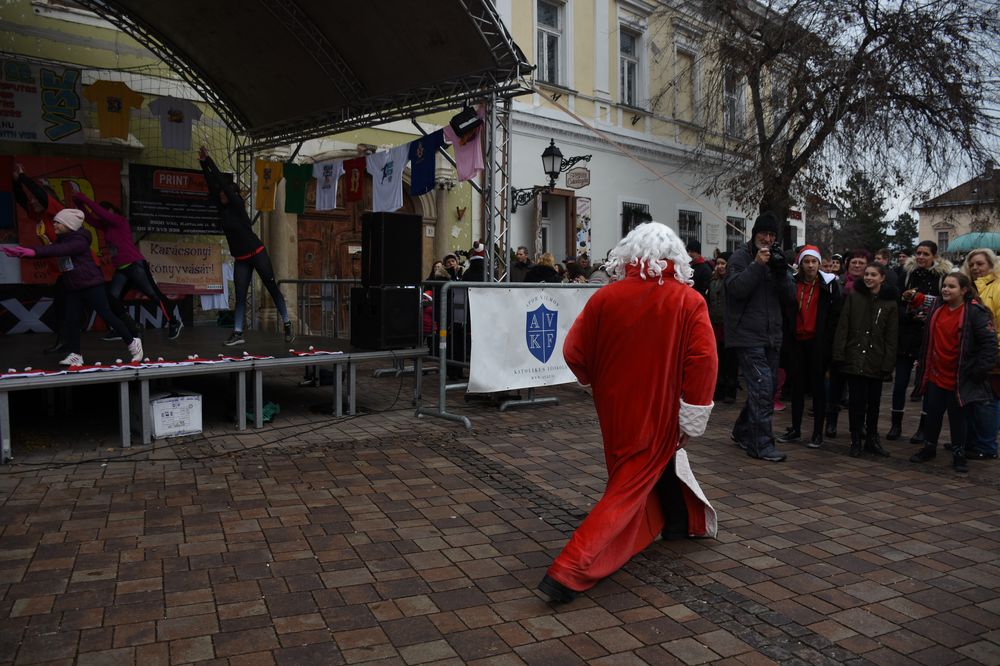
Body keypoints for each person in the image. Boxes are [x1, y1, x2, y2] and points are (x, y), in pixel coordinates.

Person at [538, 222, 718, 603]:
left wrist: (597, 379)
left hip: (614, 407)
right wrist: (691, 415)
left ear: (630, 253)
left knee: (631, 475)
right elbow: (703, 361)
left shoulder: (606, 297)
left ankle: (675, 521)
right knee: (626, 489)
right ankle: (569, 569)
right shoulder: (688, 301)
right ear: (675, 256)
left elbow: (573, 351)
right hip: (658, 411)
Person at [2, 209, 143, 366]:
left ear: (69, 224)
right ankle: (75, 354)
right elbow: (51, 250)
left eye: (58, 222)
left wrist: (32, 251)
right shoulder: (63, 239)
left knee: (107, 315)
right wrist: (23, 253)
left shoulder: (79, 240)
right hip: (74, 286)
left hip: (91, 284)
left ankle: (133, 342)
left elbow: (59, 250)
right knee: (72, 320)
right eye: (54, 221)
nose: (54, 224)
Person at [198, 147, 294, 346]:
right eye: (221, 193)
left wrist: (210, 160)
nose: (221, 194)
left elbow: (221, 182)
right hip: (241, 258)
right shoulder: (222, 208)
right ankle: (238, 333)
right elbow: (212, 184)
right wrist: (203, 163)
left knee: (271, 287)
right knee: (240, 296)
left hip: (257, 252)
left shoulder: (237, 205)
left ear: (233, 195)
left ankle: (287, 324)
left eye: (224, 192)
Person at [909, 273, 996, 473]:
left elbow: (989, 344)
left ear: (964, 290)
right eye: (945, 286)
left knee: (958, 418)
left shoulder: (975, 312)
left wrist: (979, 371)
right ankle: (929, 447)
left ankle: (959, 453)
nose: (946, 290)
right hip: (936, 373)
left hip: (960, 376)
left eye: (951, 286)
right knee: (933, 413)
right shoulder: (937, 308)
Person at [725, 211, 793, 462]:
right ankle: (760, 444)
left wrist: (780, 271)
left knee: (766, 387)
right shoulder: (740, 257)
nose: (767, 239)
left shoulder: (777, 258)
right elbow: (736, 289)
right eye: (763, 233)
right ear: (755, 234)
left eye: (772, 235)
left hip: (771, 335)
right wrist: (756, 265)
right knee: (762, 387)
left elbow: (791, 297)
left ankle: (743, 430)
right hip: (746, 335)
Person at [73, 193, 182, 340]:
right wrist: (79, 204)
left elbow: (101, 213)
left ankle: (174, 322)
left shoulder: (120, 221)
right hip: (122, 269)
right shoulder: (107, 227)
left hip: (135, 265)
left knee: (154, 295)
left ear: (112, 211)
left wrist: (82, 197)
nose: (103, 214)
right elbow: (91, 219)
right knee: (112, 299)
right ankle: (125, 328)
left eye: (106, 211)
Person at [887, 241, 952, 442]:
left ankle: (923, 428)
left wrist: (929, 313)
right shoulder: (907, 274)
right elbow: (896, 301)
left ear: (934, 256)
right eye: (919, 253)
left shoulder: (942, 277)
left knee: (927, 384)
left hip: (929, 335)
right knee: (900, 383)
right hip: (907, 334)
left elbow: (945, 303)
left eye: (925, 254)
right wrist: (908, 313)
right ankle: (896, 424)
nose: (921, 257)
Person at [777, 246, 841, 448]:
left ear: (819, 263)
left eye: (814, 261)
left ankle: (817, 433)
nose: (810, 265)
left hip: (818, 343)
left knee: (818, 389)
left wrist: (828, 343)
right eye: (807, 261)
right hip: (797, 342)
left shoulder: (829, 284)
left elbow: (835, 316)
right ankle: (795, 429)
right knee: (797, 388)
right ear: (801, 264)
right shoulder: (792, 282)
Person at [832, 264, 898, 457]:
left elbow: (891, 336)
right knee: (856, 403)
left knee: (874, 404)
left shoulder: (890, 303)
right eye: (866, 274)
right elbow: (843, 327)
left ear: (882, 278)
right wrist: (839, 354)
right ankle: (855, 439)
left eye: (873, 275)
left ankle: (872, 438)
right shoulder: (854, 297)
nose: (869, 277)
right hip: (854, 357)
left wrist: (888, 363)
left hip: (876, 359)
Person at [12, 163, 67, 353]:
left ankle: (131, 331)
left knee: (102, 305)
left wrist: (24, 177)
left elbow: (40, 195)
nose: (32, 201)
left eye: (35, 199)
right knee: (62, 306)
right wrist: (16, 182)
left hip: (77, 268)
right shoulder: (40, 216)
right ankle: (64, 342)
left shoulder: (57, 211)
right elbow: (21, 199)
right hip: (61, 270)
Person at [959, 249, 1000, 460]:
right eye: (972, 264)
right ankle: (971, 441)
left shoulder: (998, 288)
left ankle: (987, 445)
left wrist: (994, 353)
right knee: (971, 399)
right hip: (969, 354)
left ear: (991, 265)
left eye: (980, 264)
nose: (975, 267)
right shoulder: (968, 288)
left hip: (991, 353)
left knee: (988, 400)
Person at [708, 251, 737, 403]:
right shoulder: (713, 281)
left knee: (730, 360)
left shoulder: (733, 281)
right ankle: (718, 388)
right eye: (718, 263)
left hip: (730, 326)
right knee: (718, 359)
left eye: (723, 263)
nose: (720, 266)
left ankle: (730, 390)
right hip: (716, 325)